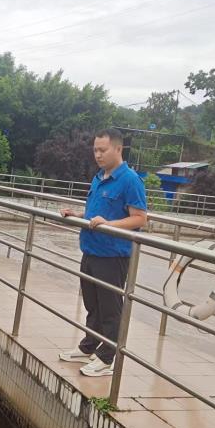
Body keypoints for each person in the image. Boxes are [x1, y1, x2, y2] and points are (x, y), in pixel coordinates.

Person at [58, 128, 147, 377]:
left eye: (103, 150)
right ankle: (89, 347)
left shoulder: (130, 180)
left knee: (110, 308)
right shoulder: (99, 177)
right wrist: (78, 215)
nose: (97, 154)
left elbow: (140, 218)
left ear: (118, 149)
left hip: (113, 255)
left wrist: (110, 224)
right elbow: (95, 214)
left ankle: (107, 358)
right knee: (93, 305)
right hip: (91, 250)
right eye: (95, 150)